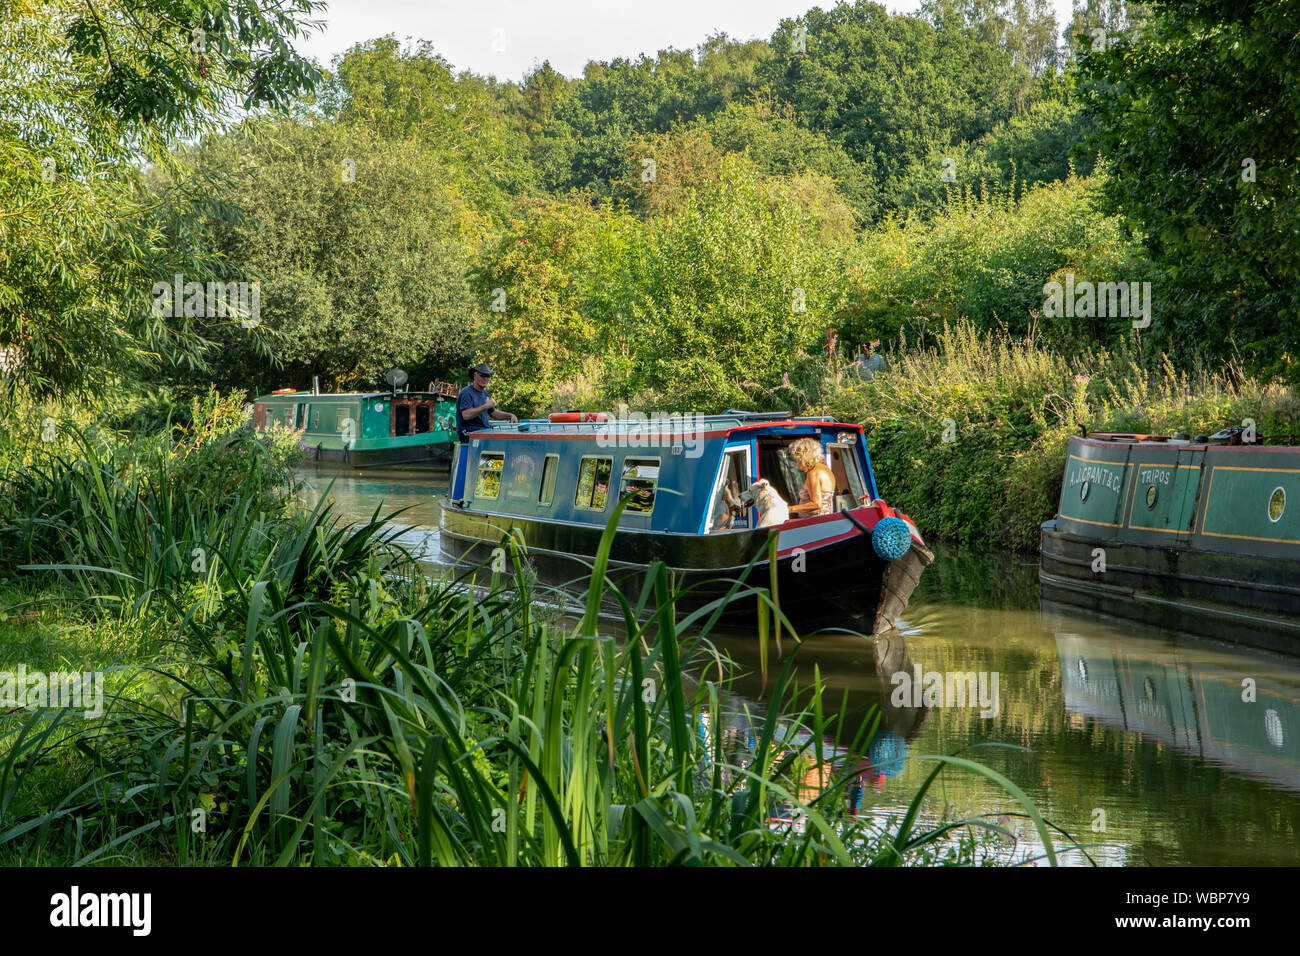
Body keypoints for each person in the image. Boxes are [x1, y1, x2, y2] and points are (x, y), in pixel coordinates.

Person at [456, 363, 517, 441]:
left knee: (507, 438)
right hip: (468, 433)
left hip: (482, 432)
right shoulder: (466, 392)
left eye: (488, 376)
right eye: (483, 375)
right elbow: (466, 415)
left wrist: (510, 416)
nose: (485, 378)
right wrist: (485, 406)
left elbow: (493, 413)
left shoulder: (485, 393)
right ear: (475, 376)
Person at [787, 437, 835, 517]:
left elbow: (816, 504)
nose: (797, 464)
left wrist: (789, 509)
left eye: (798, 460)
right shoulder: (825, 469)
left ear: (804, 457)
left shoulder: (814, 472)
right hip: (824, 520)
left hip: (814, 523)